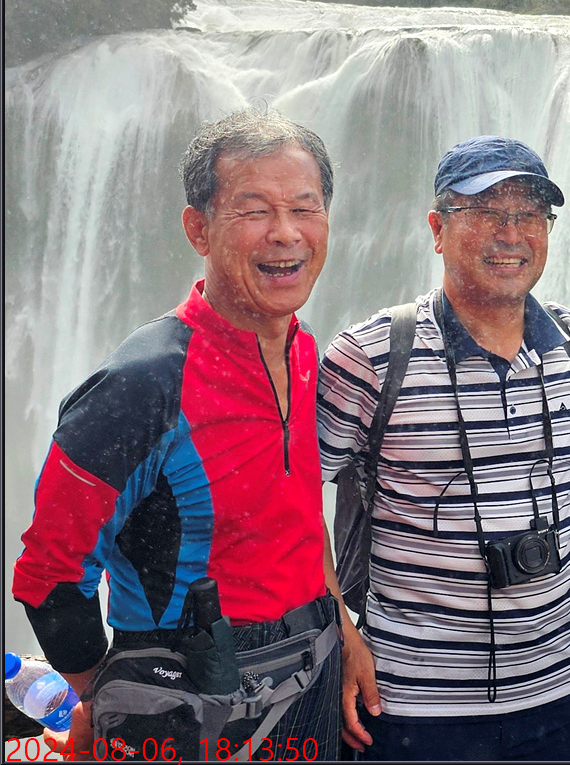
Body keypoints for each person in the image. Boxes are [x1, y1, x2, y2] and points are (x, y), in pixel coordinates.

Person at [12, 107, 342, 758]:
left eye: (304, 208)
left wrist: (346, 639)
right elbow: (49, 573)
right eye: (255, 210)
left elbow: (299, 524)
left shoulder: (302, 350)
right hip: (186, 699)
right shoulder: (143, 385)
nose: (286, 233)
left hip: (313, 673)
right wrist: (102, 694)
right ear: (198, 228)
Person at [318, 136, 570, 762]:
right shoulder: (369, 356)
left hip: (559, 697)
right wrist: (338, 634)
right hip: (410, 707)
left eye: (530, 214)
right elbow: (291, 501)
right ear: (437, 229)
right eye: (485, 213)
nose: (511, 234)